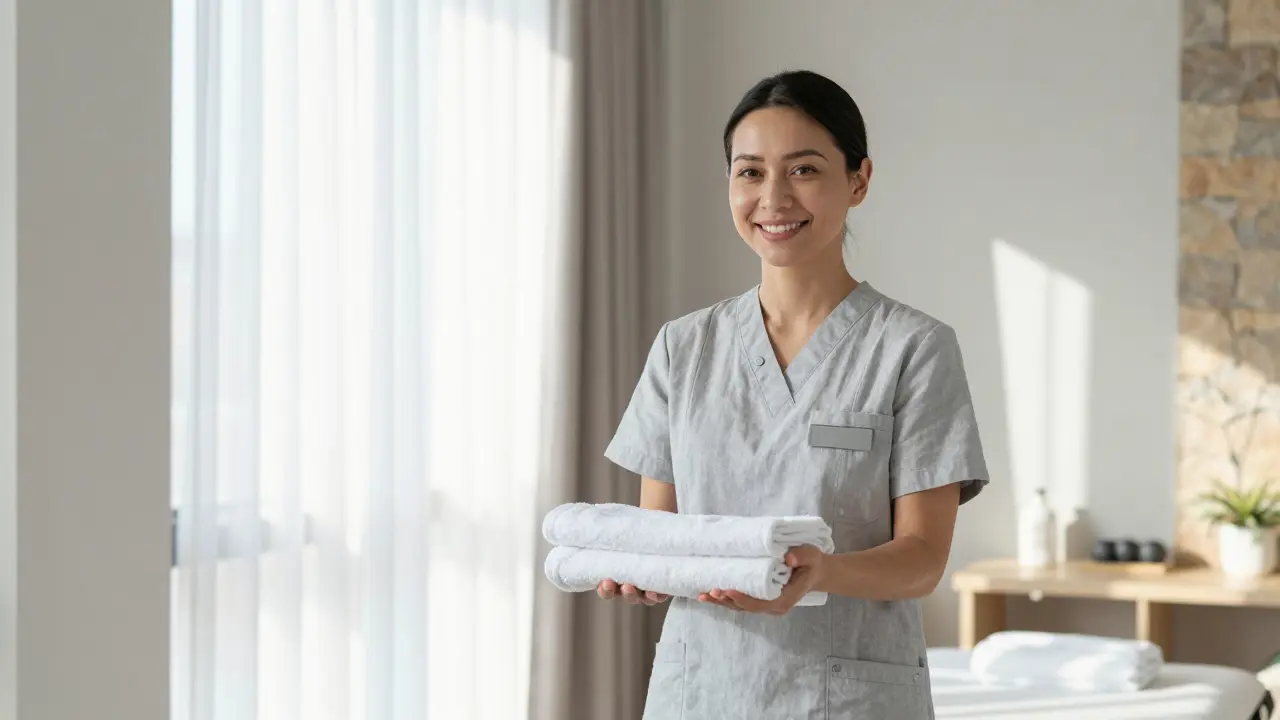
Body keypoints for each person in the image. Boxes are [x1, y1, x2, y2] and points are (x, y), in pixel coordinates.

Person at [596, 69, 990, 719]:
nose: (773, 197)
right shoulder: (683, 347)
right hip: (702, 691)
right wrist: (638, 571)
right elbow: (660, 535)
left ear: (859, 180)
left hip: (848, 696)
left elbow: (921, 561)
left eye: (804, 169)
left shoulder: (914, 348)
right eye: (749, 172)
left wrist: (821, 572)